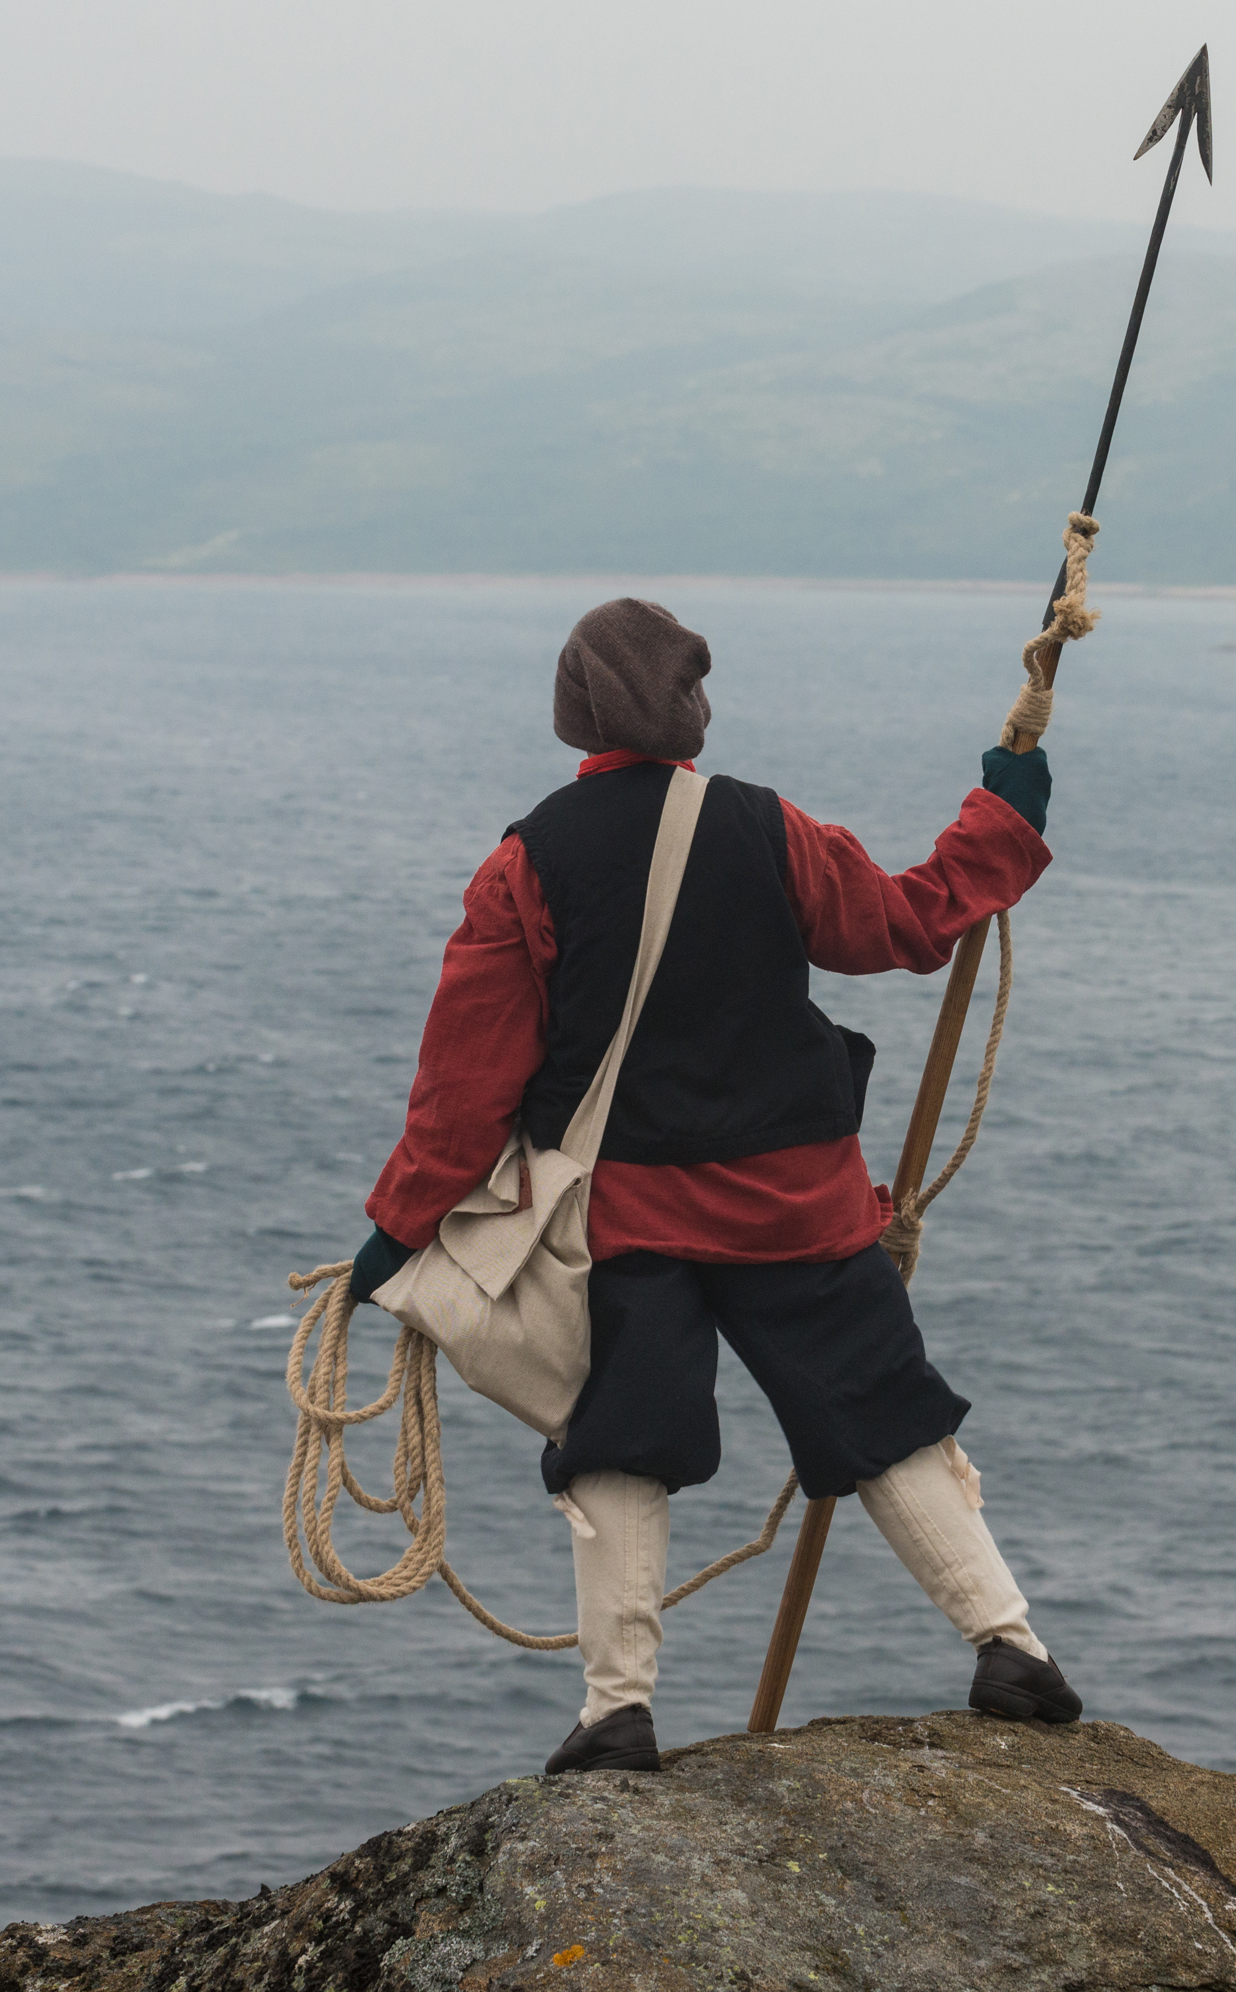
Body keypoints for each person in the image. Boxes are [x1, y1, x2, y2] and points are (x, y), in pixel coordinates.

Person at [348, 597, 1081, 1774]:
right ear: (691, 707)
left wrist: (398, 1232)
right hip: (801, 1202)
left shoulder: (527, 862)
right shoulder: (768, 828)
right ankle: (1012, 1647)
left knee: (620, 1439)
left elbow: (465, 1083)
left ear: (575, 713)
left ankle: (618, 1711)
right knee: (882, 1411)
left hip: (624, 1219)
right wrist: (1005, 811)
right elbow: (906, 924)